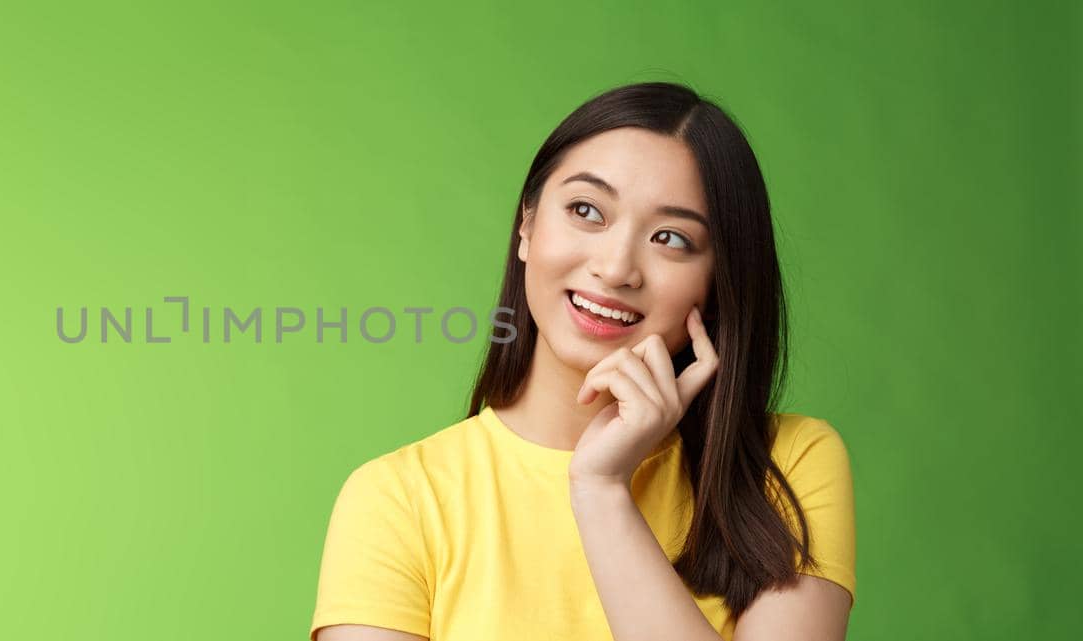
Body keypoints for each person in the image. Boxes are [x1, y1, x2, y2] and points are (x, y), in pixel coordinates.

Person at [309, 82, 856, 641]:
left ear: (719, 281)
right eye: (586, 210)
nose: (617, 267)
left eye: (670, 237)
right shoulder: (398, 499)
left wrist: (601, 492)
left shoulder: (784, 466)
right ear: (526, 226)